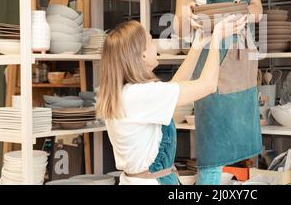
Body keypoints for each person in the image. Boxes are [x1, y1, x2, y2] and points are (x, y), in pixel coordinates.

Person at [96, 15, 246, 185]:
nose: (155, 45)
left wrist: (197, 46)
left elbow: (174, 87)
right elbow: (208, 85)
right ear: (142, 55)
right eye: (151, 41)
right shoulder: (141, 94)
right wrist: (217, 39)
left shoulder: (127, 92)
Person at [174, 0, 263, 185]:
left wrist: (239, 11)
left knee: (240, 144)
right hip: (211, 60)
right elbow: (179, 26)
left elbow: (258, 9)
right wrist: (191, 20)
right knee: (212, 150)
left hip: (241, 58)